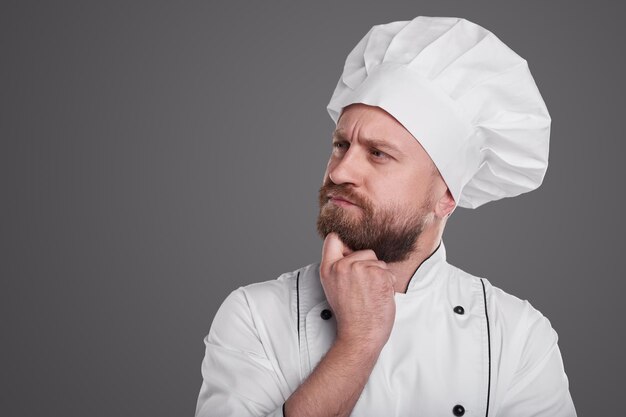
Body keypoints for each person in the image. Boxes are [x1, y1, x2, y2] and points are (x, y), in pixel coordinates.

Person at [195, 16, 577, 417]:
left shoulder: (516, 337)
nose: (339, 172)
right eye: (341, 145)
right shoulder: (255, 315)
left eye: (378, 154)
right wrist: (357, 344)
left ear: (446, 196)